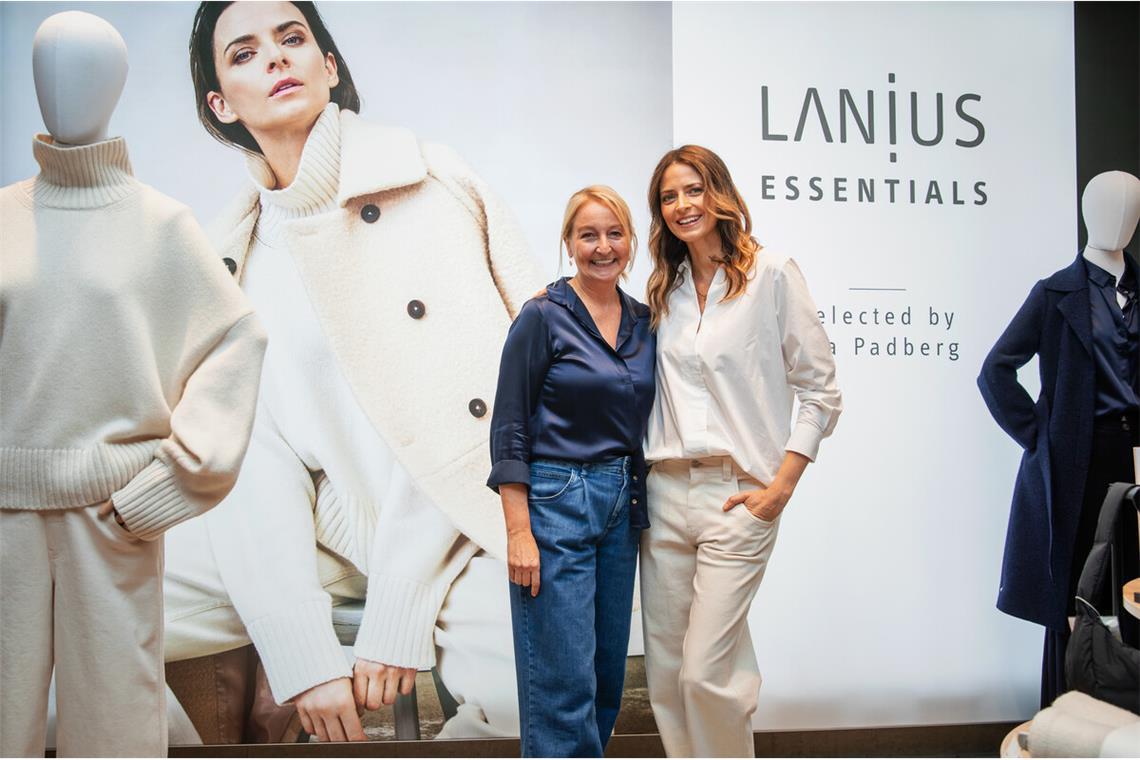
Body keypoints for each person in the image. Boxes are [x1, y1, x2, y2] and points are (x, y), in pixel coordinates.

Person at [162, 0, 541, 743]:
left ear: (328, 67)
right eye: (243, 54)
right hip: (323, 536)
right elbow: (251, 463)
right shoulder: (227, 260)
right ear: (220, 103)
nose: (274, 58)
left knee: (527, 694)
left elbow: (472, 412)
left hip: (461, 515)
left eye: (292, 38)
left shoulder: (428, 186)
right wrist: (300, 650)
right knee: (83, 600)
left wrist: (397, 615)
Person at [0, 11, 266, 756]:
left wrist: (166, 487)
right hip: (2, 515)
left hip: (110, 518)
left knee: (115, 731)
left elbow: (238, 341)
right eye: (47, 69)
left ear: (116, 86)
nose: (61, 89)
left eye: (83, 71)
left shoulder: (160, 225)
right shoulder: (2, 219)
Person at [639, 145, 842, 758]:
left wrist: (780, 487)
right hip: (665, 492)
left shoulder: (773, 273)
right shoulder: (661, 290)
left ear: (719, 193)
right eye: (668, 197)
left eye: (693, 190)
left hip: (737, 495)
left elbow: (821, 391)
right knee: (670, 679)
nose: (682, 206)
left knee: (708, 673)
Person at [487, 185, 656, 757]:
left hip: (622, 502)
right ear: (568, 243)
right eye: (589, 234)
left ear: (631, 243)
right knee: (562, 681)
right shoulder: (542, 316)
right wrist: (518, 531)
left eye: (614, 233)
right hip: (556, 498)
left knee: (607, 675)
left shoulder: (644, 322)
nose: (602, 246)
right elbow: (509, 426)